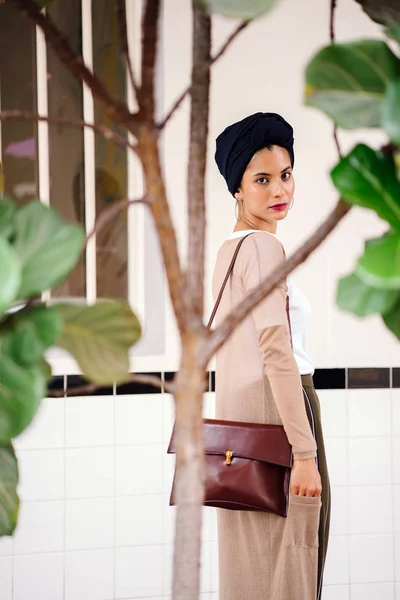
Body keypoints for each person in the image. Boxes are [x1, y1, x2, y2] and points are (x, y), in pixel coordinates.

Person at [212, 112, 331, 600]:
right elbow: (276, 350)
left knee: (252, 569)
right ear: (237, 188)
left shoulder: (230, 250)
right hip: (281, 418)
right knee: (294, 563)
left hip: (240, 427)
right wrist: (304, 453)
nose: (279, 189)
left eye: (285, 174)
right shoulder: (263, 247)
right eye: (261, 179)